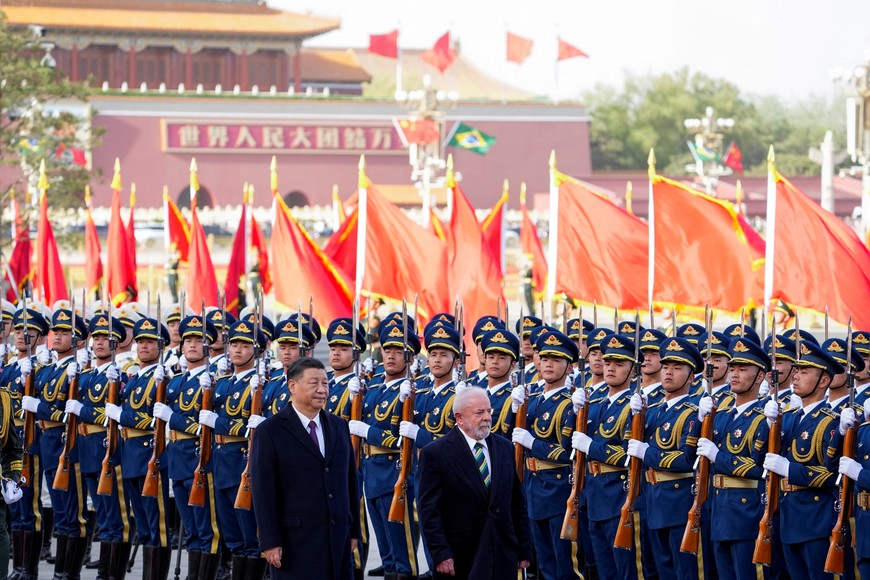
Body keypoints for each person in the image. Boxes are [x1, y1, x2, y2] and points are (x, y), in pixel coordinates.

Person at [251, 357, 360, 579]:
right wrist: (270, 541)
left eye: (325, 383)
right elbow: (263, 491)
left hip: (337, 538)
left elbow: (350, 481)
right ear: (292, 386)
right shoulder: (270, 431)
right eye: (314, 383)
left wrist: (354, 530)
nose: (322, 390)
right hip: (295, 542)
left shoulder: (338, 426)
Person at [416, 386, 531, 579]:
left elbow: (516, 502)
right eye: (479, 413)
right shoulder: (436, 453)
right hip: (461, 557)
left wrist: (524, 548)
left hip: (502, 553)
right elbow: (429, 511)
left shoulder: (504, 448)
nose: (487, 417)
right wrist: (440, 553)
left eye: (489, 411)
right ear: (459, 418)